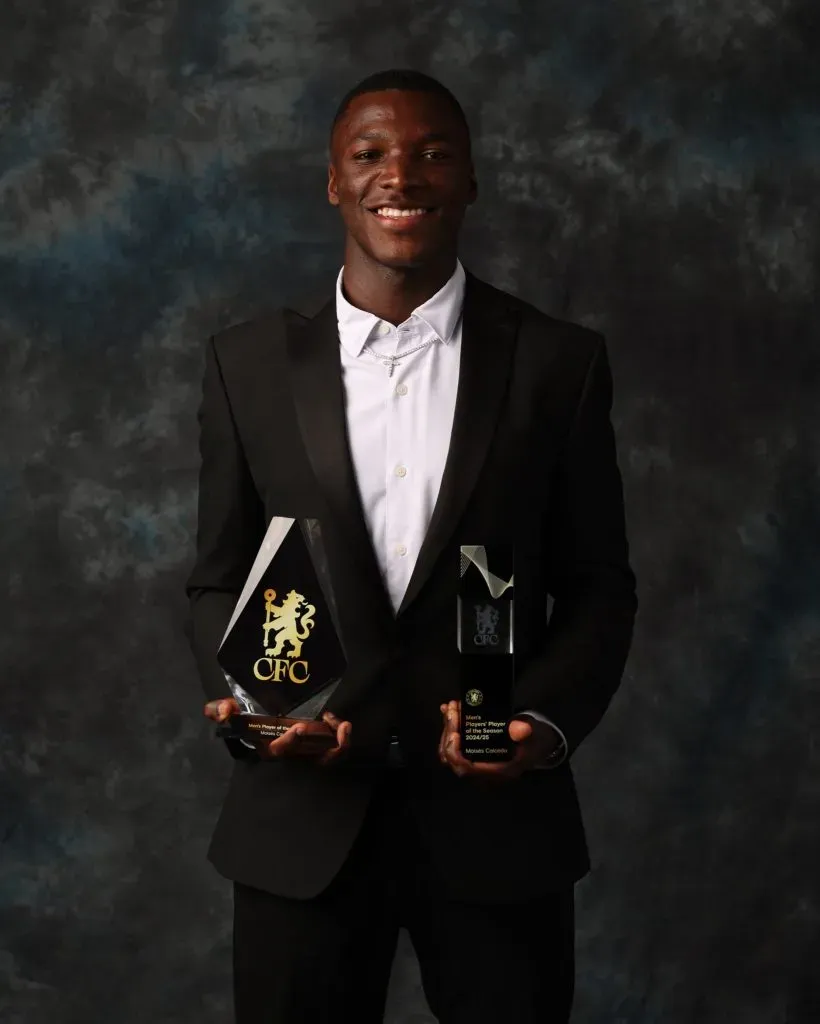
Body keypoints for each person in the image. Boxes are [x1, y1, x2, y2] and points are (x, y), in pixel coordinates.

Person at [186, 67, 637, 1024]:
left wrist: (542, 725)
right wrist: (259, 715)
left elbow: (601, 587)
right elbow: (217, 578)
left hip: (497, 829)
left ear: (471, 178)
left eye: (434, 153)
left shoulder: (560, 362)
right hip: (298, 824)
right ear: (335, 183)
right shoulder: (247, 365)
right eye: (372, 154)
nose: (404, 174)